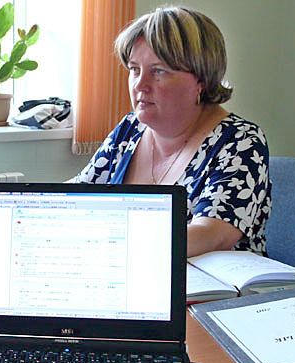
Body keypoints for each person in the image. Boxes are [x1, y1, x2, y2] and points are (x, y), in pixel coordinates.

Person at [71, 6, 270, 257]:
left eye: (158, 71)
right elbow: (77, 195)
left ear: (201, 80)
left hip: (208, 282)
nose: (140, 85)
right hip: (127, 273)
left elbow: (211, 234)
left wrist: (115, 248)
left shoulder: (240, 142)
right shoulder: (130, 129)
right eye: (134, 69)